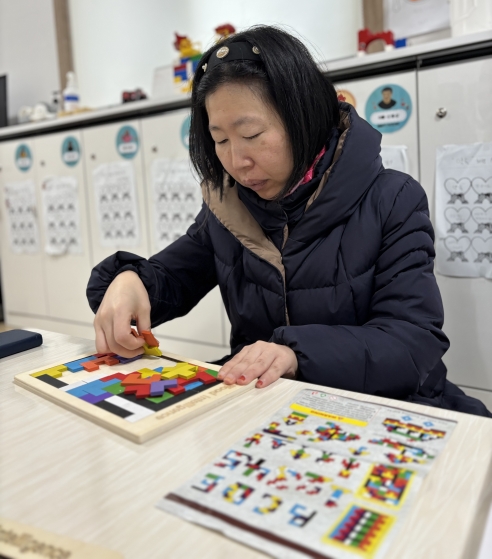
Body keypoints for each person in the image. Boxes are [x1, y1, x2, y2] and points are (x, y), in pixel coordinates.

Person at [87, 26, 491, 417]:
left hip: (385, 407)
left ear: (303, 115)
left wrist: (295, 353)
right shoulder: (229, 209)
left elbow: (412, 343)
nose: (237, 161)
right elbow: (171, 276)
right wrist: (130, 281)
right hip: (272, 407)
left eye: (251, 134)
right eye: (220, 140)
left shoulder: (392, 200)